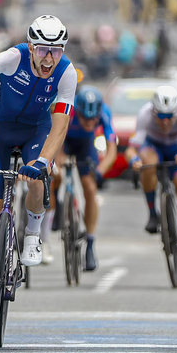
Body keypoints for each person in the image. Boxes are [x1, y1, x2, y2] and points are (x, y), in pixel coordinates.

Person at [0, 15, 77, 327]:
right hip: (1, 130)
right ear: (31, 47)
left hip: (37, 133)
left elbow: (60, 125)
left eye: (56, 50)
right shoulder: (15, 56)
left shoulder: (66, 74)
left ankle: (34, 234)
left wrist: (42, 162)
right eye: (42, 50)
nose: (49, 58)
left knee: (37, 180)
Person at [125, 85, 177, 273]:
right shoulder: (144, 114)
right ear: (153, 112)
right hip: (155, 146)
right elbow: (131, 149)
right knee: (148, 163)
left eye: (170, 117)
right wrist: (134, 160)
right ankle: (153, 213)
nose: (166, 122)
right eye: (161, 117)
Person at [54, 85, 117, 271]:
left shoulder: (104, 113)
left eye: (93, 120)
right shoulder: (68, 109)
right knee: (54, 174)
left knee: (90, 188)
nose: (90, 123)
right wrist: (59, 160)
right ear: (78, 112)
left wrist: (100, 171)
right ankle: (57, 205)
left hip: (85, 145)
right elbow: (55, 140)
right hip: (63, 139)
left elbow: (111, 150)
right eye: (85, 119)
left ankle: (90, 242)